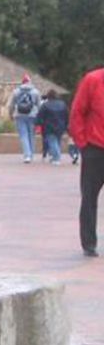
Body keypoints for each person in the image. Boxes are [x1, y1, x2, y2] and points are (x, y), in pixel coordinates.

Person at [69, 66, 104, 257]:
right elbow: (77, 112)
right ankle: (89, 243)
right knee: (89, 198)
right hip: (95, 148)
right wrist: (83, 143)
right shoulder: (93, 80)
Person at [8, 74, 42, 163]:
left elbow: (11, 105)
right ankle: (31, 154)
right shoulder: (36, 92)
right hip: (33, 115)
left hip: (19, 115)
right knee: (31, 135)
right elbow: (39, 105)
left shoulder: (16, 92)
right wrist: (40, 117)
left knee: (23, 135)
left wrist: (10, 114)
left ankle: (27, 155)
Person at [35, 90, 69, 165]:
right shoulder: (62, 104)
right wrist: (67, 125)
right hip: (61, 126)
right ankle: (55, 156)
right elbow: (66, 115)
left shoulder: (45, 105)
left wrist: (38, 123)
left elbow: (40, 115)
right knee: (57, 141)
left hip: (49, 126)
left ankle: (56, 158)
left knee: (52, 141)